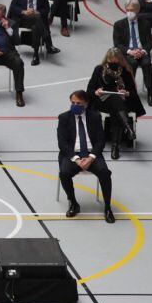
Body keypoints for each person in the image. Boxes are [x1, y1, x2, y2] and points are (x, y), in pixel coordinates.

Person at [57, 90, 115, 223]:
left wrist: (91, 157)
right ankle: (73, 202)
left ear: (86, 104)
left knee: (105, 173)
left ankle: (107, 207)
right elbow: (62, 143)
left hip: (91, 153)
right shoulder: (63, 118)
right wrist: (77, 160)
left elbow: (101, 141)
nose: (75, 105)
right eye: (72, 103)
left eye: (78, 103)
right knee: (64, 173)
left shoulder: (95, 117)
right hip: (72, 154)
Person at [87, 48, 146, 160]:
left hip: (122, 102)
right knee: (115, 100)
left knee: (116, 106)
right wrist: (96, 92)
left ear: (120, 60)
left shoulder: (125, 71)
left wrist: (127, 92)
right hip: (102, 101)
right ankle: (125, 133)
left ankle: (116, 145)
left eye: (115, 61)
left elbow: (133, 92)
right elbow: (89, 90)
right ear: (107, 59)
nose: (113, 63)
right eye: (110, 60)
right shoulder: (99, 69)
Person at [7, 0, 60, 64]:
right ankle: (48, 42)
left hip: (36, 18)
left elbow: (46, 9)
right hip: (23, 19)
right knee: (38, 20)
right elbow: (13, 7)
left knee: (36, 26)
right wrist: (23, 11)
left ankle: (36, 55)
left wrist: (38, 12)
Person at [113, 0, 152, 106]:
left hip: (141, 52)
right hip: (127, 53)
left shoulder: (145, 23)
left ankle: (150, 93)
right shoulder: (119, 24)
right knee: (131, 64)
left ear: (137, 10)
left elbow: (149, 42)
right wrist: (130, 51)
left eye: (131, 10)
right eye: (127, 10)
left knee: (147, 64)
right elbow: (117, 44)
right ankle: (130, 92)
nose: (129, 12)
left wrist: (142, 51)